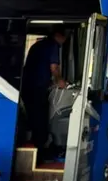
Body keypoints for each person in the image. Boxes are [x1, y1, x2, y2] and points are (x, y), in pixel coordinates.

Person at [22, 27, 67, 158]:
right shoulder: (53, 46)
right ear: (58, 35)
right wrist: (60, 81)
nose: (64, 41)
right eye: (65, 37)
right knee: (40, 119)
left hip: (27, 86)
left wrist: (51, 82)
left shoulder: (39, 44)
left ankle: (36, 147)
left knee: (34, 117)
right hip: (36, 88)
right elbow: (54, 67)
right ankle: (39, 152)